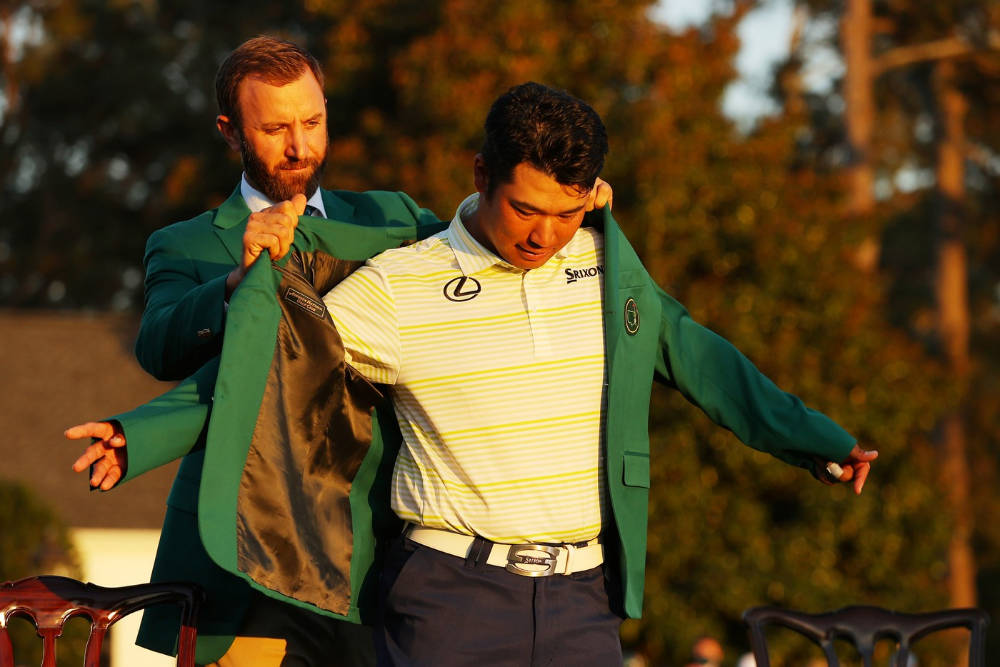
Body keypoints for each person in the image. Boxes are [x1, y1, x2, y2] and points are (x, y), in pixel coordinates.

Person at [69, 83, 874, 665]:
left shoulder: (605, 269)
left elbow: (704, 358)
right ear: (480, 173)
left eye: (567, 212)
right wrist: (137, 435)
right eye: (526, 209)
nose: (544, 234)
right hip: (448, 597)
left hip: (580, 602)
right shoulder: (398, 284)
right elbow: (260, 375)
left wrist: (817, 441)